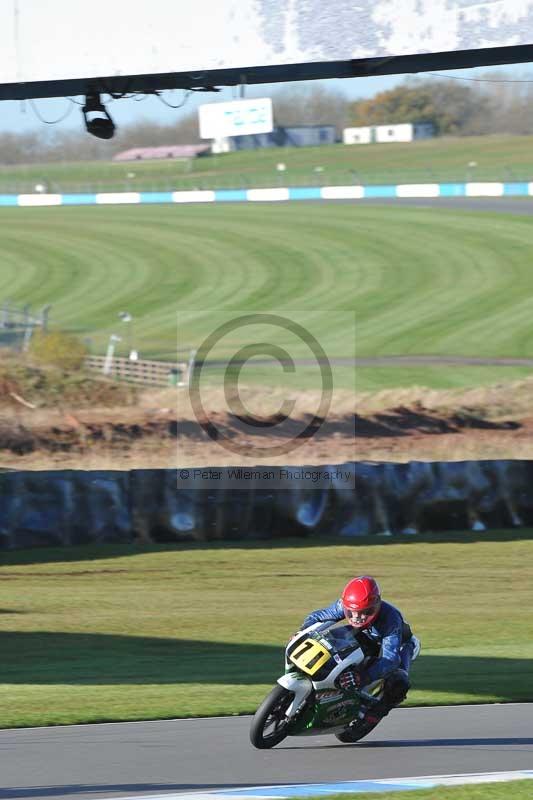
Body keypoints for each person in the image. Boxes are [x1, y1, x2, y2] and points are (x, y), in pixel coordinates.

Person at [299, 575, 420, 722]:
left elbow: (390, 659)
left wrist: (361, 677)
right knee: (333, 639)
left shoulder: (391, 618)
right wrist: (303, 632)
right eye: (351, 612)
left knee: (399, 681)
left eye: (365, 612)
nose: (357, 617)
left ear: (376, 604)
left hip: (400, 645)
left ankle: (376, 714)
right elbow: (317, 617)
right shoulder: (346, 605)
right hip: (367, 635)